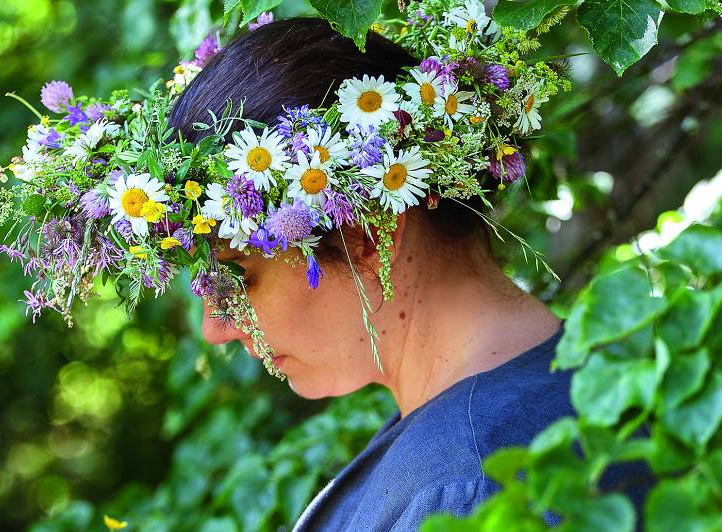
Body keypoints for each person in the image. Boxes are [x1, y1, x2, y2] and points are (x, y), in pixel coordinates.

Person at [169, 16, 648, 530]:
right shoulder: (567, 396)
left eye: (236, 278)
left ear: (367, 238)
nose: (214, 329)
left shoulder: (474, 490)